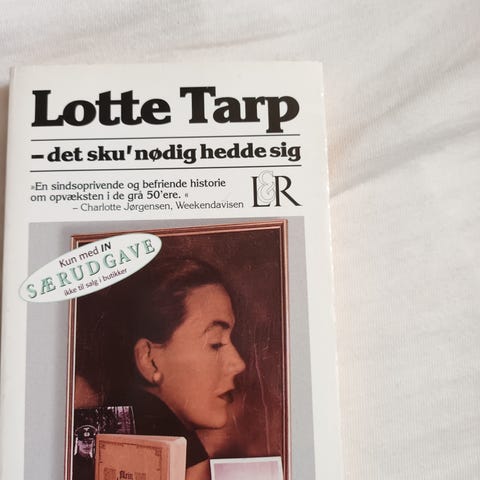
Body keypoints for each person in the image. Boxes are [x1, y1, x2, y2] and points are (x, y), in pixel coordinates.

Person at [84, 256, 246, 480]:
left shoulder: (93, 432)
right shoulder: (185, 460)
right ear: (149, 359)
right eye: (215, 343)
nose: (238, 364)